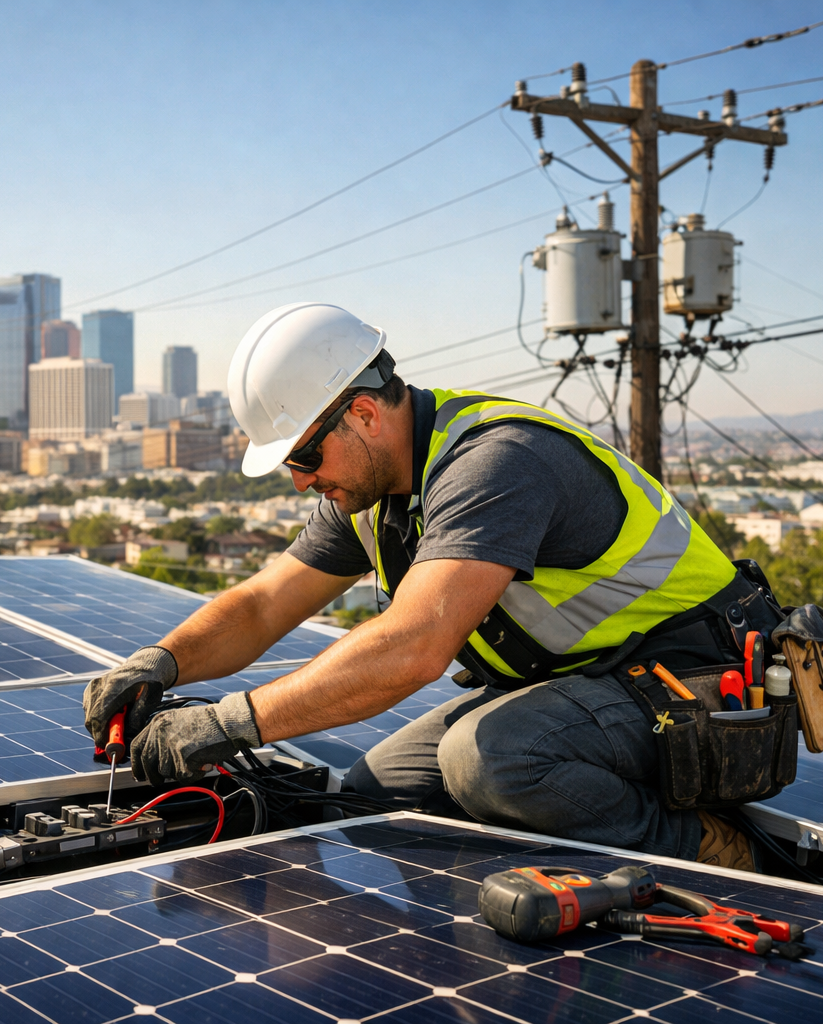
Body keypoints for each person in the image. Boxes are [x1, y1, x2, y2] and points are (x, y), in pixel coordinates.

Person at [83, 302, 780, 870]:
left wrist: (228, 721)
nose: (299, 479)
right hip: (587, 686)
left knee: (489, 759)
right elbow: (265, 602)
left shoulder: (494, 463)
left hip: (696, 684)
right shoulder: (370, 493)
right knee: (371, 799)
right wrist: (161, 662)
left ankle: (712, 853)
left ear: (361, 413)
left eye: (302, 454)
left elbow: (413, 646)